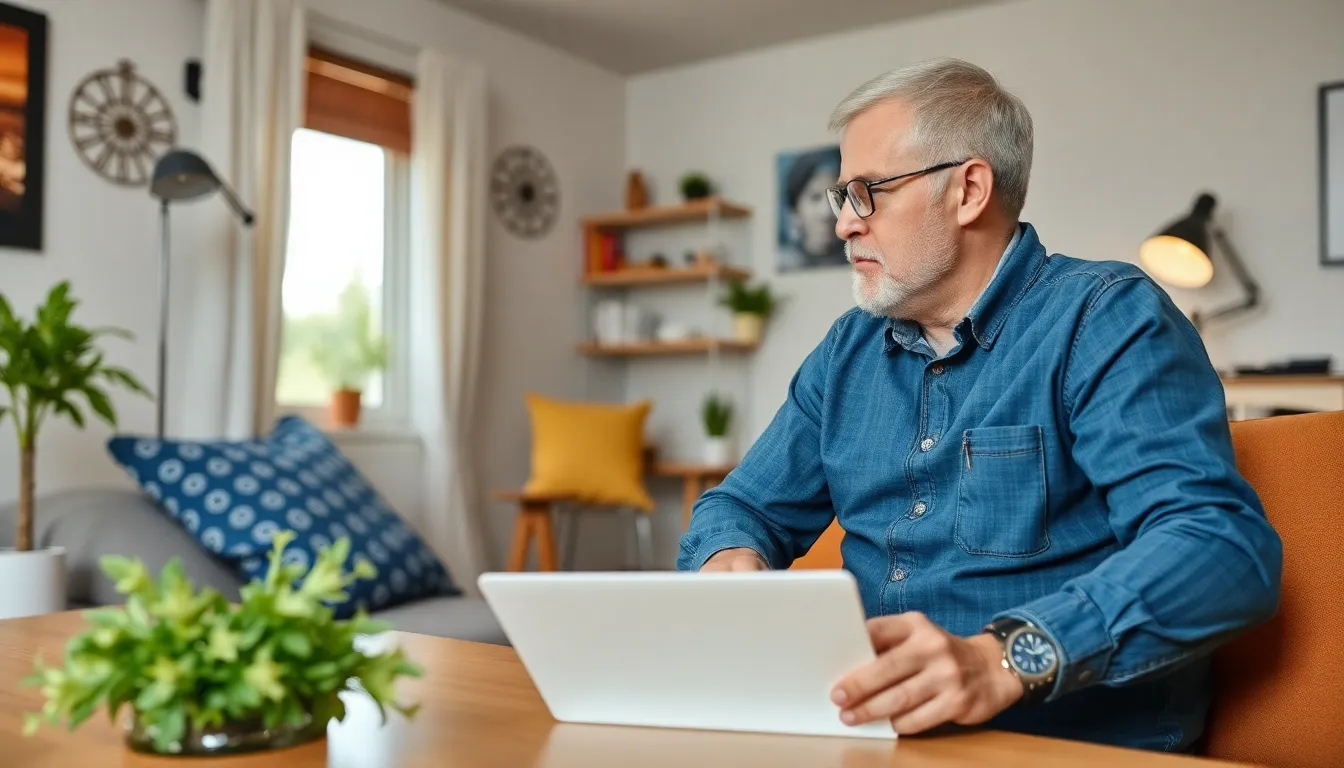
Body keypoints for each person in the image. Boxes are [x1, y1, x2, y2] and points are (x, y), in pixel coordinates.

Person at [676, 58, 1282, 753]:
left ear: (967, 190)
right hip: (870, 735)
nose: (844, 224)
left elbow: (1223, 549)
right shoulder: (848, 350)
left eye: (867, 192)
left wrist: (1001, 658)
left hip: (1063, 746)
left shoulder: (1104, 320)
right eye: (841, 196)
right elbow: (743, 508)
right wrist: (730, 560)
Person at [779, 147, 848, 270]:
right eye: (815, 198)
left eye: (835, 196)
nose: (826, 212)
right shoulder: (785, 261)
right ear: (795, 210)